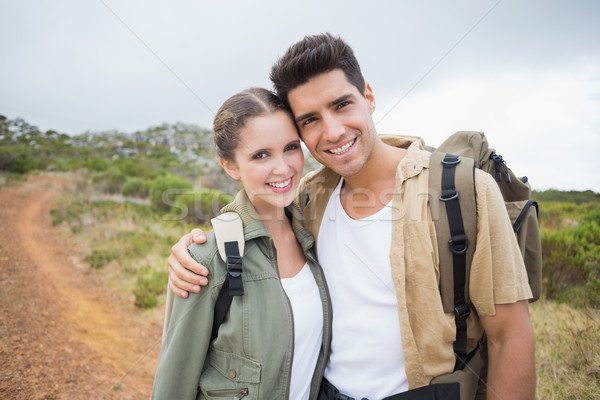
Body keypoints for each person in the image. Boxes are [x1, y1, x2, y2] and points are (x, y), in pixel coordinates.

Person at [166, 34, 535, 400]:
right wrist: (199, 248)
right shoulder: (310, 198)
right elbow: (255, 214)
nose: (333, 131)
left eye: (342, 105)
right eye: (310, 120)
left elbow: (510, 337)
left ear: (369, 97)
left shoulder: (463, 190)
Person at [152, 87, 332, 399]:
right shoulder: (205, 260)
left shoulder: (317, 232)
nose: (283, 167)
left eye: (291, 147)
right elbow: (172, 385)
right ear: (230, 166)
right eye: (261, 155)